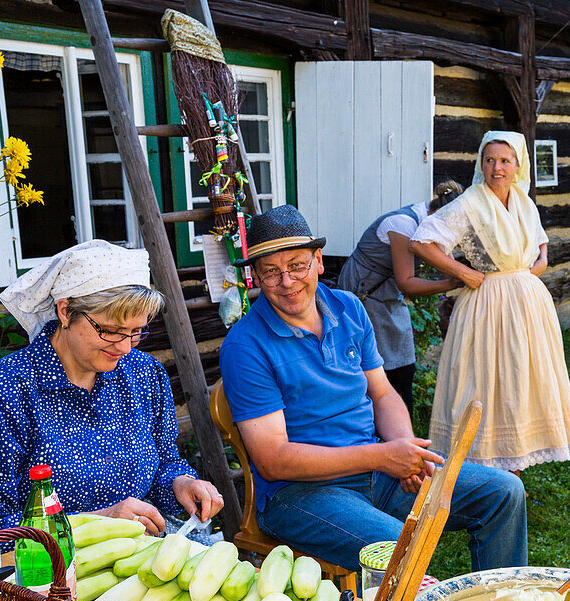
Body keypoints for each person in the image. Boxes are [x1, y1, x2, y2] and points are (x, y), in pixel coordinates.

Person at [218, 204, 527, 572]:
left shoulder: (347, 307)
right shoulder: (245, 345)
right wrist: (382, 457)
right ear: (255, 276)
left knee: (503, 493)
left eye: (297, 265)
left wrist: (406, 454)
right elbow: (272, 460)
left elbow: (382, 393)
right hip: (299, 494)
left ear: (318, 260)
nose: (287, 282)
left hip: (375, 470)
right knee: (399, 546)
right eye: (271, 273)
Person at [0, 240, 224, 535]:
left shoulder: (144, 374)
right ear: (65, 311)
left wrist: (181, 483)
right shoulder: (1, 394)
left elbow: (165, 461)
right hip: (49, 570)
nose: (125, 347)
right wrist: (99, 521)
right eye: (110, 331)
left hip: (142, 552)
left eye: (136, 332)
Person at [409, 131, 570, 471]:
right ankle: (480, 467)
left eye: (505, 161)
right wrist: (462, 272)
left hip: (528, 303)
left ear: (518, 166)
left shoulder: (523, 202)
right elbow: (422, 240)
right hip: (488, 304)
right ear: (481, 164)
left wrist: (541, 261)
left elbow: (540, 243)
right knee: (486, 381)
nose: (496, 168)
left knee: (521, 379)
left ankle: (514, 465)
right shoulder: (471, 203)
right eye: (489, 160)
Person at [337, 181, 464, 416]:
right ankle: (379, 430)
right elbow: (407, 283)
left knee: (403, 364)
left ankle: (402, 429)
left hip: (387, 295)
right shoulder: (402, 225)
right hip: (363, 294)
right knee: (376, 369)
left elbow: (449, 266)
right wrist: (449, 284)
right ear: (437, 214)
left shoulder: (433, 223)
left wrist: (466, 272)